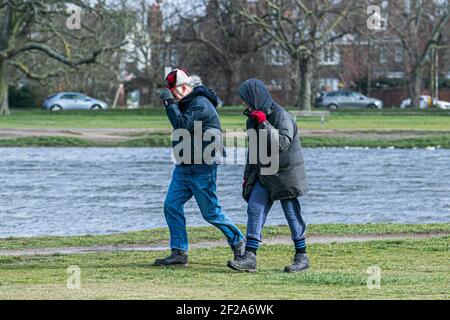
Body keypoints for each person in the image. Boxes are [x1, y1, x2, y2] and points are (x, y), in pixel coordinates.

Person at [155, 68, 245, 267]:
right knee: (171, 206)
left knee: (211, 212)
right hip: (184, 166)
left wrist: (169, 103)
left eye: (174, 91)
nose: (173, 96)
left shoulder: (200, 104)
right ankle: (179, 252)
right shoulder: (188, 102)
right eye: (170, 92)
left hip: (203, 167)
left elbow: (180, 125)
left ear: (185, 87)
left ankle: (239, 243)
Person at [227, 78, 310, 273]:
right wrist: (247, 177)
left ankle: (302, 256)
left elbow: (281, 144)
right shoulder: (252, 119)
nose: (243, 103)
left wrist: (264, 123)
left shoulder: (282, 117)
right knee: (255, 209)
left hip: (285, 174)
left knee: (291, 214)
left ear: (255, 98)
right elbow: (254, 151)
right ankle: (250, 257)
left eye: (245, 99)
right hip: (264, 173)